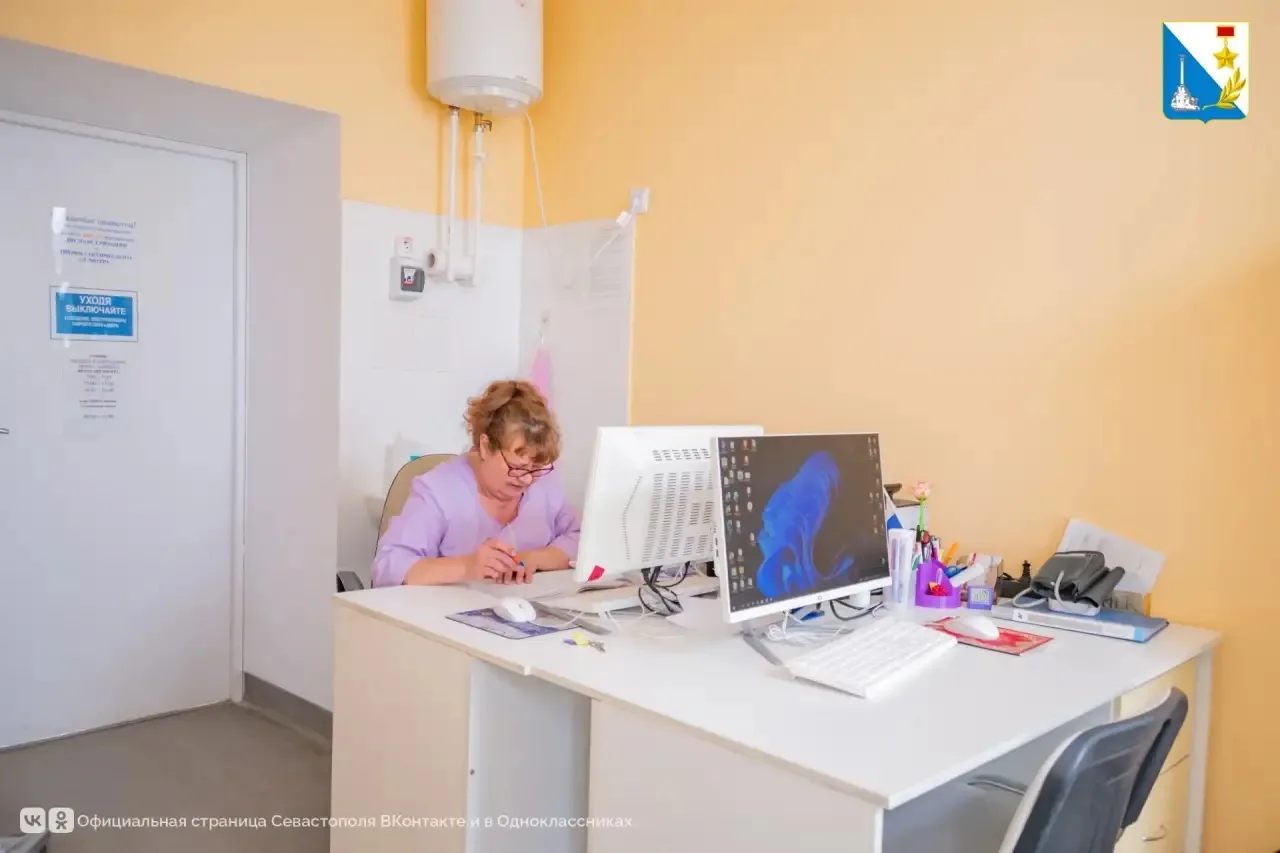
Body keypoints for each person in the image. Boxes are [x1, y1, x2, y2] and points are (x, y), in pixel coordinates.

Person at [372, 379, 580, 587]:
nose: (527, 479)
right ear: (485, 446)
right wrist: (467, 567)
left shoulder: (544, 485)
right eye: (516, 467)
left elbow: (582, 539)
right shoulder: (439, 491)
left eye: (535, 468)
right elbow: (387, 568)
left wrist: (532, 559)